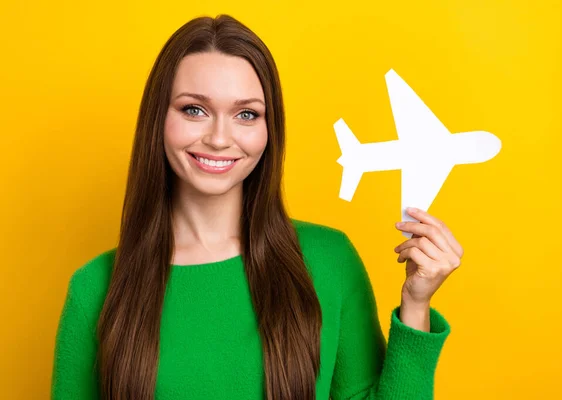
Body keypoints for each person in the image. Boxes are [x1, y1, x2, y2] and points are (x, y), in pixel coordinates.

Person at [51, 14, 464, 400]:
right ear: (158, 118)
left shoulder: (329, 261)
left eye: (246, 114)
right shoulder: (95, 290)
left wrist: (416, 304)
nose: (218, 138)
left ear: (270, 130)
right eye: (194, 109)